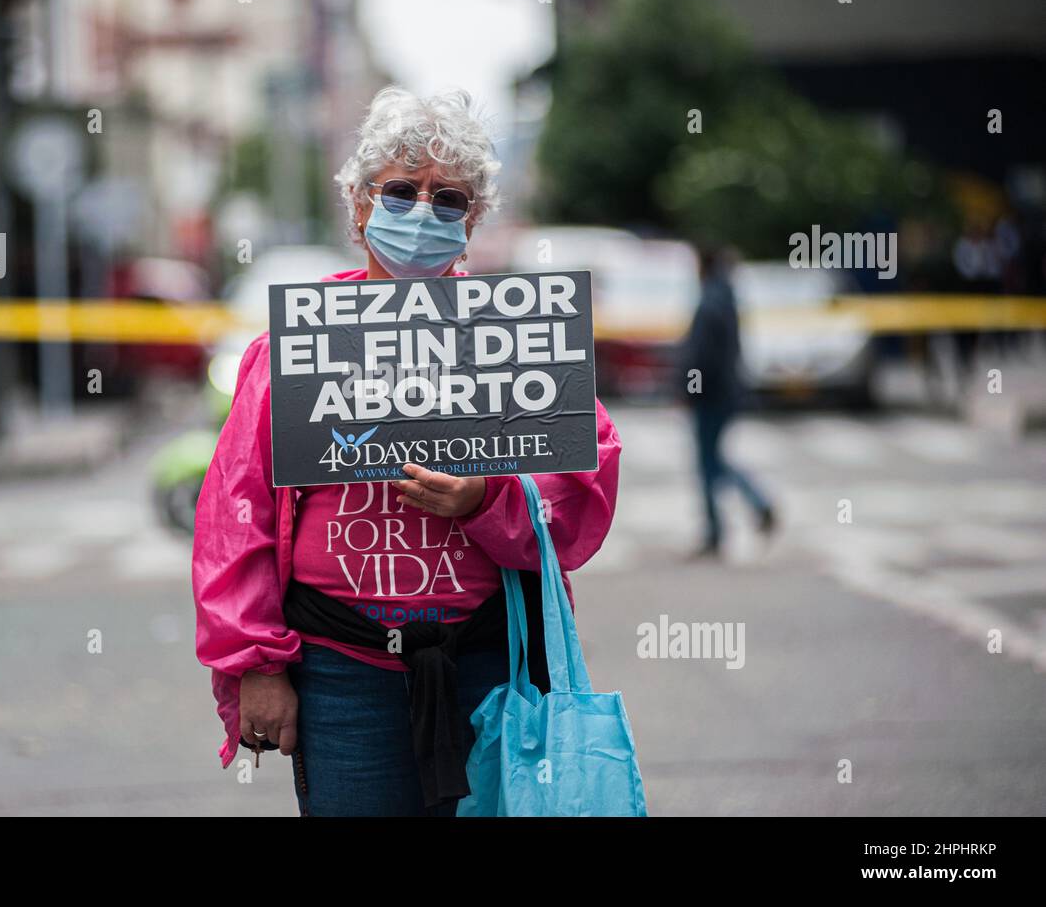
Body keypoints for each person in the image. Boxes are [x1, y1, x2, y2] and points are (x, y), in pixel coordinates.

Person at [191, 87, 622, 816]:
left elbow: (582, 487)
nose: (423, 212)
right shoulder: (294, 350)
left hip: (495, 668)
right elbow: (238, 518)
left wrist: (487, 498)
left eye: (448, 199)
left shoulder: (519, 337)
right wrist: (255, 666)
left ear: (472, 221)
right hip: (344, 677)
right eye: (400, 191)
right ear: (359, 206)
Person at [678, 245, 776, 558]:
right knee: (715, 460)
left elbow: (700, 357)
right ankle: (754, 506)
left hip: (709, 396)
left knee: (709, 464)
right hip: (726, 393)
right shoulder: (727, 298)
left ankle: (716, 530)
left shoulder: (709, 303)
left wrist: (688, 392)